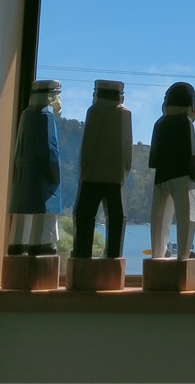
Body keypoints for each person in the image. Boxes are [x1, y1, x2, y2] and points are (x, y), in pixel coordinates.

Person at [72, 80, 132, 259]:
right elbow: (127, 150)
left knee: (84, 215)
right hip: (115, 177)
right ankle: (113, 257)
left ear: (97, 94)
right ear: (120, 95)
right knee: (116, 218)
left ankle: (82, 256)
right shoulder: (124, 114)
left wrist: (83, 171)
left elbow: (86, 147)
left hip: (91, 176)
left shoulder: (94, 111)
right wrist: (124, 172)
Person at [7, 80, 62, 256]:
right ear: (51, 96)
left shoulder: (26, 114)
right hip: (41, 177)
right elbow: (50, 149)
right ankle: (42, 244)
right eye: (57, 95)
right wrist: (55, 174)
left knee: (22, 212)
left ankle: (17, 243)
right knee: (44, 214)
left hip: (23, 175)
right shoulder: (47, 115)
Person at [148, 82, 195, 260]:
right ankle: (184, 256)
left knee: (159, 219)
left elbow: (153, 156)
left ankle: (157, 253)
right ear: (190, 103)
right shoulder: (186, 123)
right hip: (184, 176)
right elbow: (191, 153)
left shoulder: (160, 123)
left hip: (161, 176)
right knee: (187, 217)